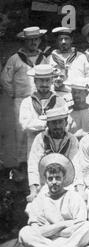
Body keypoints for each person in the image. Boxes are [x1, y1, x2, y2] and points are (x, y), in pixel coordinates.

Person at [18, 153, 89, 247]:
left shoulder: (74, 197)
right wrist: (63, 224)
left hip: (70, 243)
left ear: (64, 178)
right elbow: (37, 230)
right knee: (25, 232)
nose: (54, 182)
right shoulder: (40, 200)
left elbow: (80, 224)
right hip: (46, 242)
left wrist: (51, 230)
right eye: (50, 178)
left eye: (58, 178)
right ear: (46, 180)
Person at [1, 26, 49, 164]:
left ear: (40, 41)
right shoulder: (15, 59)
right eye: (30, 40)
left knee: (40, 130)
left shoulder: (43, 58)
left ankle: (38, 162)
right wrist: (16, 95)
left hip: (41, 100)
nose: (33, 43)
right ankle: (21, 164)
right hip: (21, 100)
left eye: (36, 39)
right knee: (21, 131)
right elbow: (5, 79)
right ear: (24, 41)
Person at [27, 106, 79, 202]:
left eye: (60, 122)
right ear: (48, 124)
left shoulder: (72, 139)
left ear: (66, 123)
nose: (57, 126)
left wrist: (79, 188)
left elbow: (76, 165)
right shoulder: (40, 139)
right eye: (54, 123)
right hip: (46, 183)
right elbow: (33, 166)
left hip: (67, 183)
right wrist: (33, 191)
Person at [19, 64, 66, 157]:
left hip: (56, 146)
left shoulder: (59, 101)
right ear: (35, 81)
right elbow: (25, 125)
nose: (44, 84)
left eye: (47, 80)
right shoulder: (27, 102)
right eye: (41, 80)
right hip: (34, 146)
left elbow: (64, 123)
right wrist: (47, 124)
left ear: (52, 81)